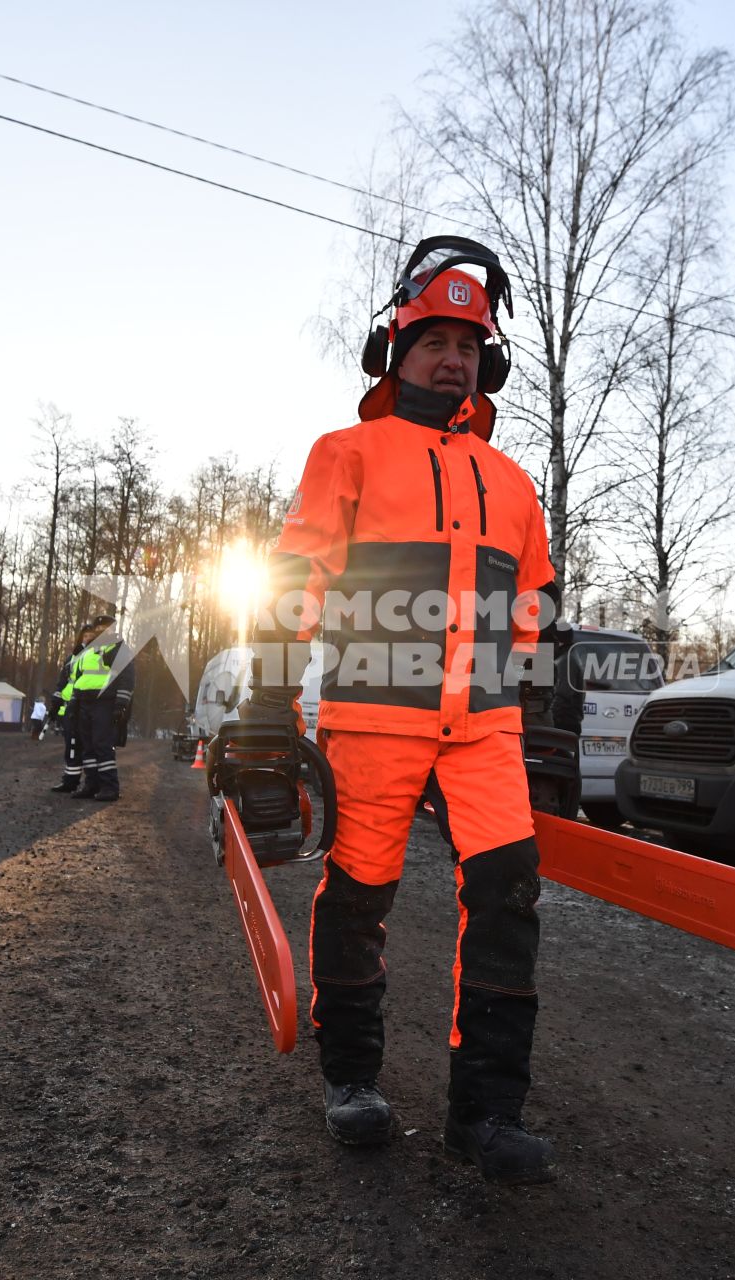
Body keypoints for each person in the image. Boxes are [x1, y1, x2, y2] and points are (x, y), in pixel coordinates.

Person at [242, 237, 563, 1185]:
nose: (454, 358)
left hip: (486, 734)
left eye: (470, 343)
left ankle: (488, 1113)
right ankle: (353, 1081)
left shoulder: (512, 482)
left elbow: (534, 599)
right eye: (435, 340)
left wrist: (542, 689)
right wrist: (268, 693)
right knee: (358, 899)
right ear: (396, 346)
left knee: (510, 899)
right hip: (373, 722)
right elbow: (296, 575)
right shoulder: (346, 453)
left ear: (488, 361)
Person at [63, 616, 134, 802]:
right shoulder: (88, 650)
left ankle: (110, 787)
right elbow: (79, 678)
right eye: (99, 627)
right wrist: (73, 702)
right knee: (87, 745)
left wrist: (121, 704)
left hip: (105, 701)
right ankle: (91, 784)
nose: (101, 630)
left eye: (105, 627)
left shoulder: (118, 648)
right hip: (84, 701)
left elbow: (127, 677)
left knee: (102, 745)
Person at [48, 623, 94, 793]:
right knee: (71, 745)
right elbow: (62, 682)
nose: (88, 638)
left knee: (87, 746)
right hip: (69, 707)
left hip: (86, 706)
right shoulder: (72, 658)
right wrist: (56, 701)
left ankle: (90, 783)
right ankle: (70, 780)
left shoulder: (96, 656)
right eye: (85, 635)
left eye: (91, 635)